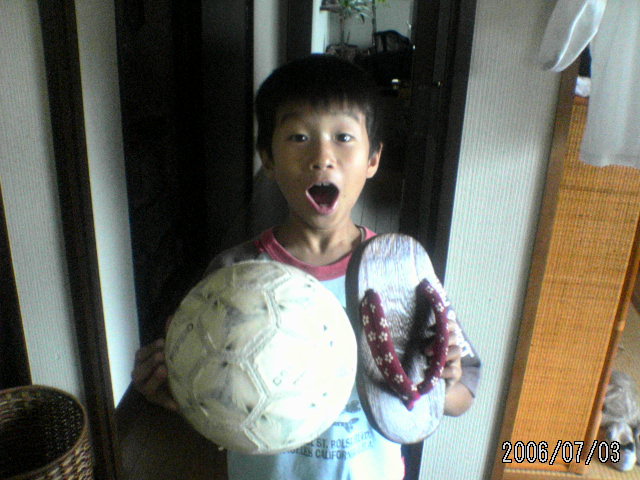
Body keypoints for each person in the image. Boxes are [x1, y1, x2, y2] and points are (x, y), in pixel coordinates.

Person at [132, 54, 481, 480]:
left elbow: (462, 396)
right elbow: (213, 398)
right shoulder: (234, 276)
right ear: (268, 158)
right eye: (299, 137)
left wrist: (444, 382)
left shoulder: (400, 275)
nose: (322, 157)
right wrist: (173, 386)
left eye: (343, 137)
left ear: (373, 159)